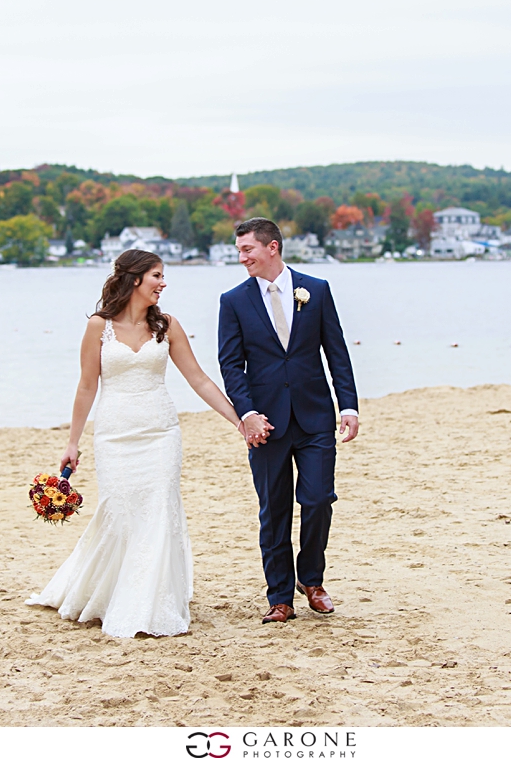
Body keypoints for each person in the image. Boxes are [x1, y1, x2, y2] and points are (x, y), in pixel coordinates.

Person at [26, 249, 251, 638]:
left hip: (161, 433)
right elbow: (86, 386)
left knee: (160, 509)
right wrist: (73, 442)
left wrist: (239, 421)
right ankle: (111, 590)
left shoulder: (167, 325)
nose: (163, 283)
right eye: (157, 276)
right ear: (134, 279)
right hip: (115, 435)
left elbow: (198, 379)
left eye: (163, 277)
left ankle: (151, 601)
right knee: (121, 512)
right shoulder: (99, 327)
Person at [217, 218, 359, 624]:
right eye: (239, 250)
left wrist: (348, 406)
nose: (241, 257)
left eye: (248, 249)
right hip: (265, 424)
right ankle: (280, 596)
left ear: (272, 247)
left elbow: (337, 352)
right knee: (274, 509)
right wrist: (246, 414)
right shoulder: (233, 301)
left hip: (315, 417)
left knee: (318, 500)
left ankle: (311, 579)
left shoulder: (316, 290)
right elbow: (231, 365)